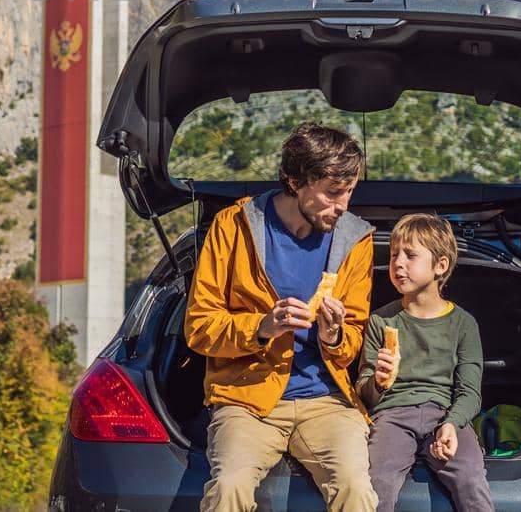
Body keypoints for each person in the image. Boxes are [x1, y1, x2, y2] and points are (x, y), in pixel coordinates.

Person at [185, 123, 379, 512]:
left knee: (356, 489)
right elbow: (199, 327)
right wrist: (261, 327)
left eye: (349, 192)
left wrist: (334, 337)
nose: (342, 206)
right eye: (332, 193)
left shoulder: (356, 239)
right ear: (295, 181)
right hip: (247, 399)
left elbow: (356, 336)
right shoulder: (232, 226)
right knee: (228, 486)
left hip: (327, 400)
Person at [357, 213, 493, 512]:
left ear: (440, 266)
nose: (398, 264)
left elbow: (470, 393)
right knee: (376, 483)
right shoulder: (381, 320)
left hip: (445, 413)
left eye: (410, 255)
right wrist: (378, 382)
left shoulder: (463, 324)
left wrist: (451, 425)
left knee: (471, 481)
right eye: (394, 255)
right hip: (391, 416)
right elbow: (363, 393)